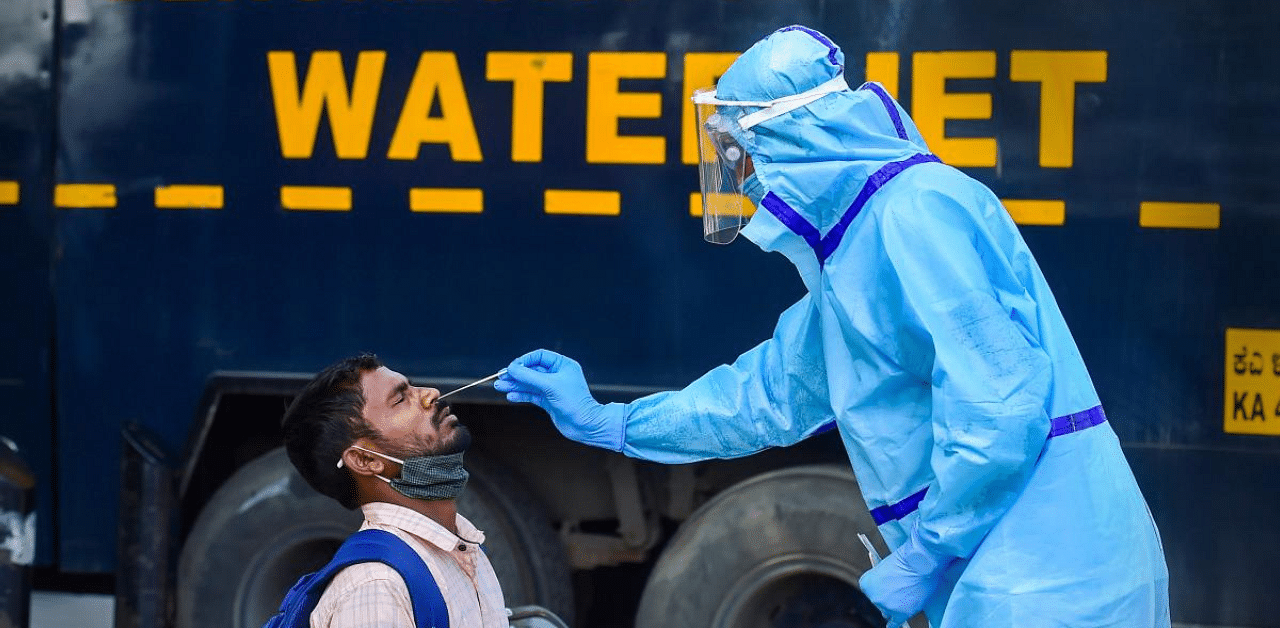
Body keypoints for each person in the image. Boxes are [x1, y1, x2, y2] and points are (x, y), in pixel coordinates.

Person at [495, 25, 1170, 628]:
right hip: (1006, 569)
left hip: (1049, 575)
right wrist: (611, 423)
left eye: (737, 152)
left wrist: (927, 552)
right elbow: (765, 398)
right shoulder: (856, 249)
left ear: (789, 138)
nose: (740, 175)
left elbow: (1002, 412)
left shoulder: (915, 215)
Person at [282, 353, 508, 628]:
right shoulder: (376, 587)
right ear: (366, 460)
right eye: (400, 399)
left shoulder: (463, 546)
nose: (431, 394)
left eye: (411, 387)